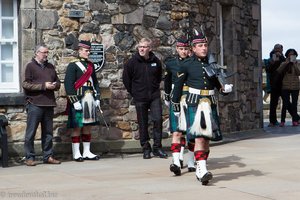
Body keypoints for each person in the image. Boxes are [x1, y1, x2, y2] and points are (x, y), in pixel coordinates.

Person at [171, 28, 233, 185]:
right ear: (193, 48)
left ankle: (200, 168)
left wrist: (224, 89)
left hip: (210, 102)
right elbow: (177, 87)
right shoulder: (186, 65)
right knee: (199, 137)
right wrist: (176, 106)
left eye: (205, 45)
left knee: (206, 139)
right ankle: (202, 169)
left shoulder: (211, 64)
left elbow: (216, 84)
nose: (203, 48)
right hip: (194, 102)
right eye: (200, 46)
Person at [123, 38, 168, 159]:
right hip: (140, 97)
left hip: (154, 96)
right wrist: (134, 93)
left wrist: (154, 88)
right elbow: (126, 80)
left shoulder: (156, 62)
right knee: (142, 123)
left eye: (144, 47)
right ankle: (145, 148)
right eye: (140, 47)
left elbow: (159, 77)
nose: (142, 49)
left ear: (150, 48)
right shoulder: (132, 63)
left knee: (158, 120)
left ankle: (157, 147)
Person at [22, 45, 61, 166]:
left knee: (48, 133)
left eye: (47, 52)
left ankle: (48, 156)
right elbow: (26, 85)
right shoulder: (30, 66)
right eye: (44, 52)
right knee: (31, 132)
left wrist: (55, 85)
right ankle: (29, 157)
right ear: (37, 53)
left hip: (48, 104)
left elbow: (58, 82)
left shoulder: (50, 67)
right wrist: (44, 86)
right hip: (35, 104)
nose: (46, 55)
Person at [164, 36, 195, 176]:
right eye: (181, 49)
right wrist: (166, 95)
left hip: (190, 98)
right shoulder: (171, 64)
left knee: (192, 133)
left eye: (185, 49)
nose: (183, 51)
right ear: (177, 49)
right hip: (176, 98)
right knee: (177, 131)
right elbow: (167, 80)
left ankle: (191, 161)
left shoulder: (193, 63)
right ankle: (176, 162)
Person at [64, 40, 100, 162]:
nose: (88, 53)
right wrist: (74, 101)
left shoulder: (90, 65)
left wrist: (97, 98)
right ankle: (76, 153)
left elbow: (95, 83)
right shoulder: (73, 65)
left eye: (89, 50)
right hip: (78, 99)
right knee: (77, 126)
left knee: (88, 125)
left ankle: (87, 152)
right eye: (86, 50)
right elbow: (68, 85)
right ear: (79, 51)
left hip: (89, 98)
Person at [265, 44, 299, 127]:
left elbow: (287, 65)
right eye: (276, 49)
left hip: (284, 84)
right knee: (273, 103)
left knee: (287, 103)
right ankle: (272, 121)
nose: (277, 50)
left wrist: (284, 58)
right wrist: (274, 60)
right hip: (275, 83)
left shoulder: (284, 58)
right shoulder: (272, 57)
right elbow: (269, 69)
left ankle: (296, 118)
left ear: (282, 50)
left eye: (279, 49)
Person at [276, 48, 300, 126]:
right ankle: (282, 121)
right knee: (285, 104)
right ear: (287, 55)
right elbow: (279, 71)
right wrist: (286, 63)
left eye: (293, 54)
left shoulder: (297, 63)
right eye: (290, 54)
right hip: (285, 86)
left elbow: (298, 73)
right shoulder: (284, 63)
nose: (291, 55)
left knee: (294, 104)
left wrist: (295, 64)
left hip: (295, 86)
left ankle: (295, 120)